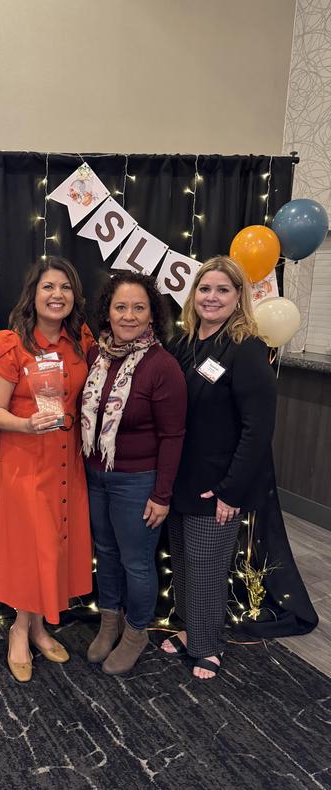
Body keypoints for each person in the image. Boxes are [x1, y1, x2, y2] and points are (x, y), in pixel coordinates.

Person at [161, 255, 276, 679]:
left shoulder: (247, 348)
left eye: (222, 290)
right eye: (205, 289)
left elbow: (257, 429)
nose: (212, 297)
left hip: (218, 486)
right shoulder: (185, 343)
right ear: (194, 296)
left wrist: (232, 489)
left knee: (208, 570)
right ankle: (193, 631)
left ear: (238, 297)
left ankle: (209, 646)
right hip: (180, 479)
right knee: (186, 565)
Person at [0, 256, 94, 682]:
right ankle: (19, 628)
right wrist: (26, 424)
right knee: (33, 545)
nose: (57, 295)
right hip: (26, 461)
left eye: (65, 287)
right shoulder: (13, 344)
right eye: (48, 287)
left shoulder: (80, 341)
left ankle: (37, 626)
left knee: (56, 543)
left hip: (67, 459)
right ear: (33, 294)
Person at [81, 273, 186, 675]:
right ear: (107, 312)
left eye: (138, 307)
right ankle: (111, 622)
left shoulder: (163, 366)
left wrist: (162, 494)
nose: (129, 315)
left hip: (138, 481)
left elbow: (173, 436)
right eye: (121, 307)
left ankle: (137, 632)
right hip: (95, 475)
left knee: (137, 562)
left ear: (152, 315)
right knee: (105, 553)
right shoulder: (96, 356)